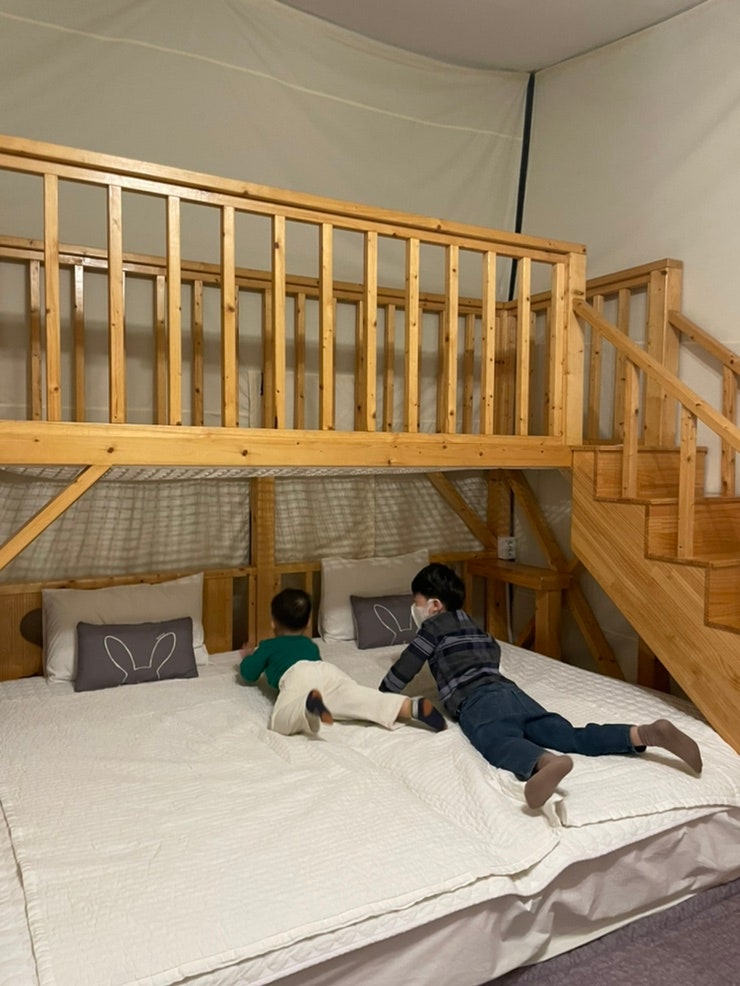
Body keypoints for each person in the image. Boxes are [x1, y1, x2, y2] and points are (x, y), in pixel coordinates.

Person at [378, 563, 703, 809]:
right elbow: (493, 653)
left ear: (434, 606)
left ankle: (544, 762)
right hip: (512, 693)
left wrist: (383, 693)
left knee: (498, 740)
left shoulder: (432, 628)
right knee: (571, 735)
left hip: (478, 701)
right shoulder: (476, 628)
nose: (415, 609)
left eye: (416, 602)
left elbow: (407, 666)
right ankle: (642, 734)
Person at [240, 587, 447, 737]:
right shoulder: (309, 645)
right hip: (327, 671)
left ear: (273, 622)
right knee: (354, 697)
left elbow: (249, 673)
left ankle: (306, 706)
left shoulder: (268, 646)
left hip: (298, 674)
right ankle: (407, 707)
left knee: (280, 720)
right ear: (308, 624)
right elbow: (316, 669)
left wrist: (248, 656)